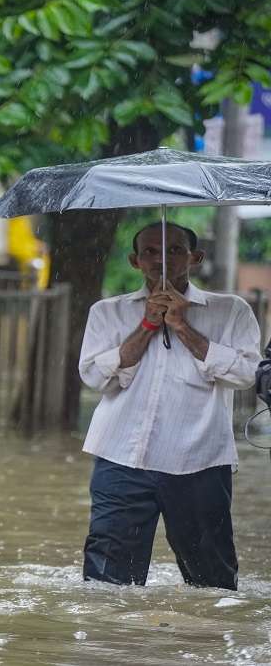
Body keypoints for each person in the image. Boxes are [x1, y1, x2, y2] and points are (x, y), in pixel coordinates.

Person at [78, 221, 260, 590]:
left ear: (196, 257)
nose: (161, 260)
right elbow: (95, 378)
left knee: (212, 583)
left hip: (199, 459)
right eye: (150, 252)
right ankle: (107, 648)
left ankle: (204, 644)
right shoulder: (106, 312)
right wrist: (147, 325)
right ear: (134, 261)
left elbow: (246, 374)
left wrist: (182, 326)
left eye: (175, 250)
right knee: (107, 586)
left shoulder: (231, 310)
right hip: (120, 458)